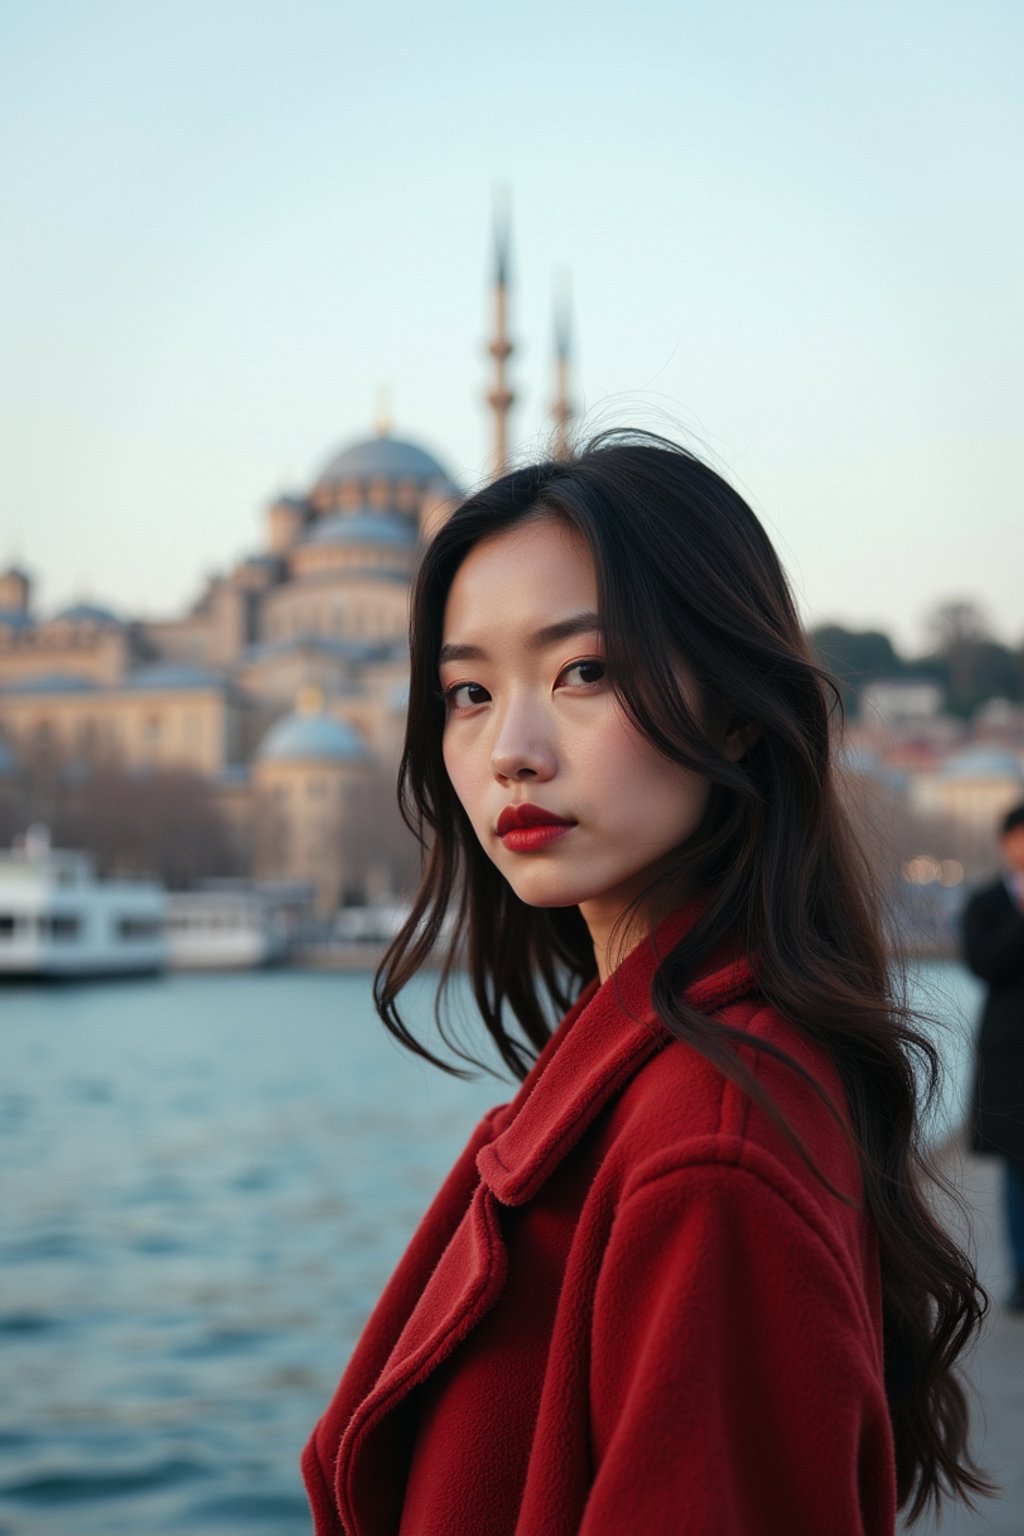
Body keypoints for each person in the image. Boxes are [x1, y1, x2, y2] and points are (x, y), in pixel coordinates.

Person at [303, 434, 989, 1534]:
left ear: (729, 703)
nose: (510, 752)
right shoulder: (662, 1076)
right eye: (468, 692)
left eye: (585, 671)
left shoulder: (706, 1149)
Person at [964, 800, 1024, 1313]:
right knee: (1017, 1168)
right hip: (1010, 1057)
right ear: (1006, 844)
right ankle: (1023, 1277)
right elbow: (984, 965)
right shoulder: (986, 903)